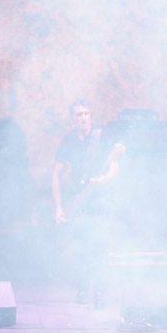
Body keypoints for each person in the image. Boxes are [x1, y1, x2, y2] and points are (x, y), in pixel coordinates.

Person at [52, 100, 125, 304]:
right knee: (80, 249)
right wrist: (58, 207)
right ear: (72, 118)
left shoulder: (103, 136)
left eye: (86, 113)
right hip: (80, 202)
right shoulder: (67, 141)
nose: (83, 118)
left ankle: (100, 292)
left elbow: (114, 166)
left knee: (101, 248)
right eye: (79, 114)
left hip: (102, 201)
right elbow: (56, 174)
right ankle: (83, 289)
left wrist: (103, 180)